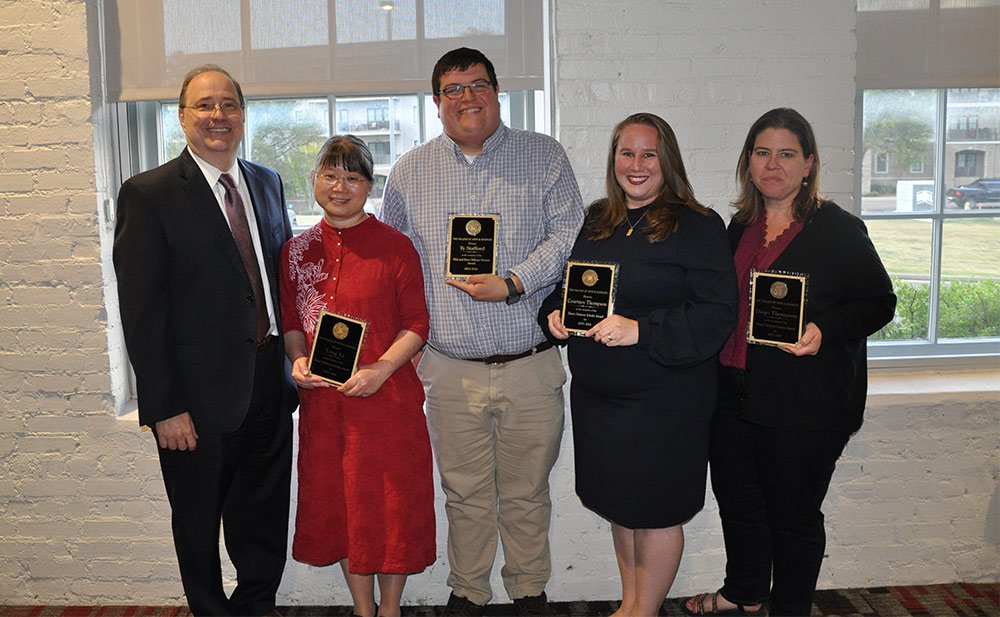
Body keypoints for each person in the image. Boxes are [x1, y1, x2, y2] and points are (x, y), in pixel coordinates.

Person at [379, 47, 584, 616]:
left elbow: (570, 235)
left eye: (478, 84)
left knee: (526, 494)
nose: (467, 97)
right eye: (453, 88)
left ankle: (529, 590)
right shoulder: (410, 171)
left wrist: (515, 282)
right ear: (438, 101)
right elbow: (397, 265)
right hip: (447, 367)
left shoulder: (543, 156)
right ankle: (468, 590)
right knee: (464, 493)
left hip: (531, 364)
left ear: (497, 91)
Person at [683, 108, 897, 617]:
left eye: (786, 154)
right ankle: (745, 592)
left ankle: (790, 609)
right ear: (748, 163)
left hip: (806, 403)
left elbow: (880, 302)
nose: (772, 164)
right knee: (739, 506)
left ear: (809, 164)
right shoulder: (737, 228)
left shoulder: (839, 230)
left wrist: (825, 330)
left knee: (793, 517)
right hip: (733, 394)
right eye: (762, 153)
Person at [113, 64, 297, 616]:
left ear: (243, 114)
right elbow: (142, 314)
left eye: (228, 104)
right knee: (197, 525)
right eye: (205, 105)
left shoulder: (267, 182)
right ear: (182, 116)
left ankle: (256, 607)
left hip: (269, 385)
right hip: (194, 402)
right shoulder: (149, 194)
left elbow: (277, 280)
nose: (218, 115)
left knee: (263, 519)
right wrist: (164, 407)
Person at [538, 113, 739, 617]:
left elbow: (718, 314)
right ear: (613, 160)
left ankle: (643, 611)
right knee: (623, 508)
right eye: (626, 153)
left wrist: (641, 330)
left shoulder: (697, 224)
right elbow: (570, 288)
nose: (636, 164)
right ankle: (631, 603)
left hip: (665, 401)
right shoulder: (597, 220)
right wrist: (554, 315)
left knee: (654, 512)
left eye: (649, 154)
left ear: (667, 161)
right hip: (601, 400)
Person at [279, 135, 435, 617]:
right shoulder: (296, 250)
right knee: (345, 510)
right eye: (330, 175)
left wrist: (381, 370)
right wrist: (298, 361)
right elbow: (289, 322)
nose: (340, 187)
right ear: (314, 180)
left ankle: (391, 609)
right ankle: (362, 609)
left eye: (352, 177)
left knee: (389, 510)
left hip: (387, 407)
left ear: (370, 185)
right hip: (326, 411)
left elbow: (417, 325)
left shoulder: (396, 246)